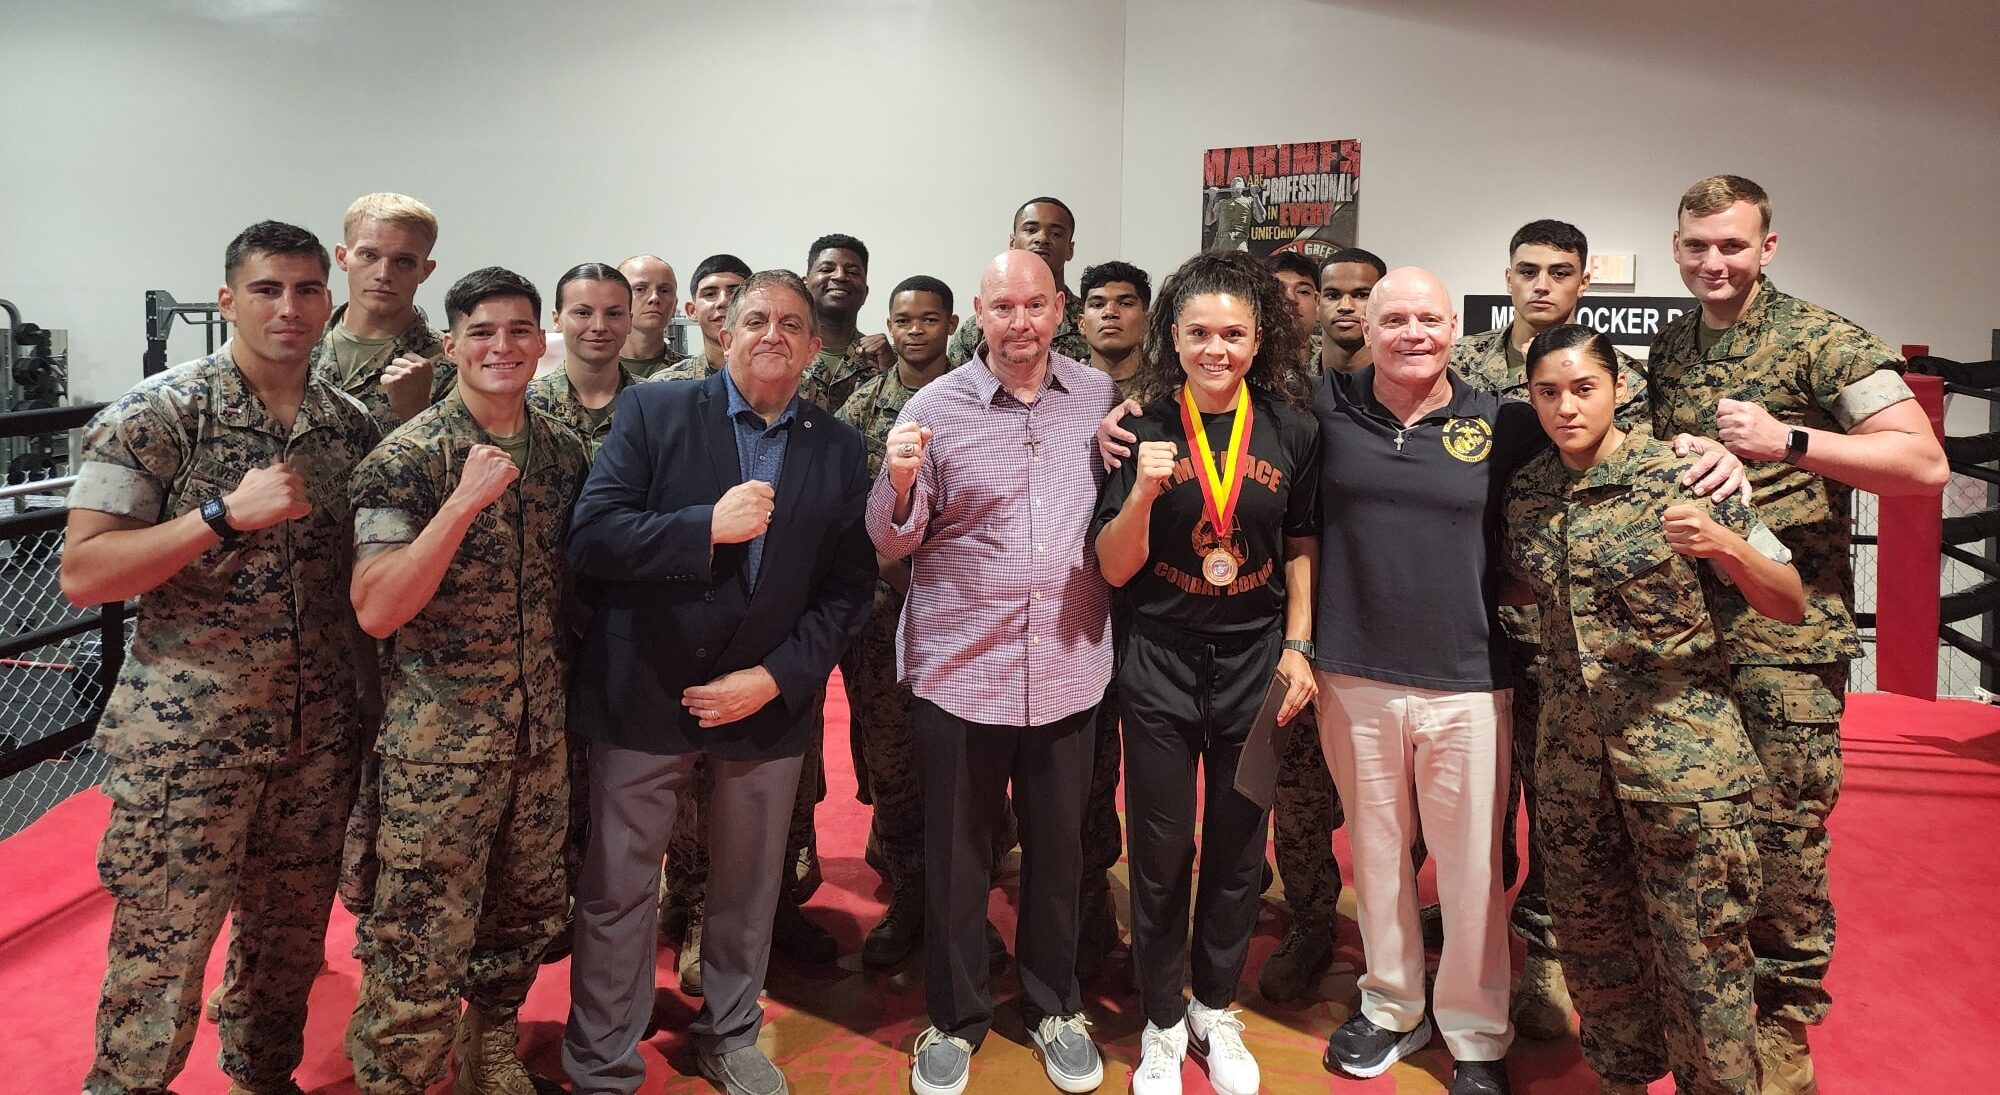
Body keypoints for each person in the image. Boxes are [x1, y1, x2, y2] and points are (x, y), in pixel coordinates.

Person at [1646, 174, 1947, 1093]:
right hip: (1691, 633)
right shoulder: (1672, 345)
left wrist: (1792, 441)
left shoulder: (1823, 338)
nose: (1714, 262)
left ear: (1766, 247)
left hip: (1789, 641)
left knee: (1783, 839)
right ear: (1677, 247)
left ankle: (1782, 1021)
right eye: (1698, 245)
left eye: (1732, 245)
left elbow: (1923, 466)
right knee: (1698, 838)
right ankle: (1705, 1012)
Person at [65, 221, 376, 1095]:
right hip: (190, 736)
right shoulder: (158, 412)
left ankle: (261, 1076)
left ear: (330, 301)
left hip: (314, 736)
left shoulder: (344, 426)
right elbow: (85, 573)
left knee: (285, 941)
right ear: (230, 299)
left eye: (308, 289)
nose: (290, 306)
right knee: (164, 945)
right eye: (269, 288)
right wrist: (220, 516)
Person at [561, 269, 876, 1095]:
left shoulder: (838, 446)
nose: (774, 333)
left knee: (747, 887)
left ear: (814, 345)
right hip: (645, 689)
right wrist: (705, 526)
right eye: (757, 319)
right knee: (619, 889)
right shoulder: (654, 412)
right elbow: (592, 536)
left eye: (792, 323)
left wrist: (773, 678)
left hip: (763, 701)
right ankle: (601, 1057)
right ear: (723, 331)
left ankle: (730, 1031)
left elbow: (848, 590)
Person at [1506, 323, 1804, 1094]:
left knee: (1703, 954)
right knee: (1595, 948)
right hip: (1574, 769)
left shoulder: (1686, 475)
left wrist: (1725, 546)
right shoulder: (1529, 492)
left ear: (1617, 388)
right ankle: (1622, 1078)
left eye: (1583, 388)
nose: (1567, 406)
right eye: (1548, 392)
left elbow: (1790, 600)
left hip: (1685, 769)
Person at [869, 250, 1117, 1095]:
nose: (1020, 323)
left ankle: (1054, 1003)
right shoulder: (932, 407)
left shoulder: (1096, 398)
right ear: (979, 311)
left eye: (1036, 306)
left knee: (1059, 849)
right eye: (1003, 306)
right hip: (960, 670)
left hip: (1066, 665)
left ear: (1060, 310)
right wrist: (900, 479)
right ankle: (955, 1015)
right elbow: (894, 540)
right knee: (959, 855)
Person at [345, 266, 591, 1094]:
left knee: (520, 917)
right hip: (440, 748)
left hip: (540, 738)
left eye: (520, 330)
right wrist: (460, 504)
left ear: (541, 342)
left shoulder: (563, 452)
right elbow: (378, 608)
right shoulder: (407, 459)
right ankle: (398, 1078)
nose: (503, 346)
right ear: (449, 345)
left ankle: (489, 1043)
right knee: (417, 936)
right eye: (482, 331)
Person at [1092, 251, 1319, 1095]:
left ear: (1259, 338)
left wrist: (1300, 644)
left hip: (1257, 660)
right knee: (1159, 848)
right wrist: (1144, 498)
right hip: (1158, 656)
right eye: (1198, 332)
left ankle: (1213, 1006)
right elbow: (1114, 569)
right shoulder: (1140, 423)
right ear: (1173, 337)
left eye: (1233, 332)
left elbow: (1302, 543)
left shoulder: (1293, 427)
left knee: (1236, 844)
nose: (1215, 348)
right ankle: (1159, 1015)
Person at [1445, 218, 1649, 1040]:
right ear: (1507, 274)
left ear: (1582, 280)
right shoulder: (1463, 362)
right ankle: (1473, 933)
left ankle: (1552, 958)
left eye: (1558, 271)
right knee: (1475, 799)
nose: (1540, 285)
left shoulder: (1620, 372)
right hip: (1471, 606)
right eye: (1526, 270)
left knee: (1562, 803)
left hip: (1570, 630)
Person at [834, 274, 960, 968]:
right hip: (885, 621)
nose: (916, 330)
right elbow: (848, 507)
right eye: (903, 319)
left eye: (930, 318)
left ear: (951, 325)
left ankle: (960, 908)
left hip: (965, 619)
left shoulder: (977, 395)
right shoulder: (862, 407)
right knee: (894, 764)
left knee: (966, 769)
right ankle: (910, 894)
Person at [1073, 258, 1152, 973]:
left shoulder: (1176, 393)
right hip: (1082, 610)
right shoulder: (1061, 388)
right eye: (1097, 302)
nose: (1110, 314)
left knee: (1158, 776)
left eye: (1126, 302)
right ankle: (1089, 903)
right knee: (1089, 770)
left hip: (1159, 610)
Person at [309, 192, 455, 429]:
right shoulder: (298, 341)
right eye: (369, 256)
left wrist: (417, 413)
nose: (384, 274)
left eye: (403, 261)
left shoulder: (448, 365)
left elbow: (459, 461)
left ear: (425, 271)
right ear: (342, 257)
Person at [947, 198, 1090, 365]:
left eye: (1056, 234)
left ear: (1070, 250)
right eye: (1031, 230)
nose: (1042, 238)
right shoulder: (976, 330)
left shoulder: (1091, 323)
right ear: (1012, 243)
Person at [529, 263, 637, 455]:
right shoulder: (525, 405)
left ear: (629, 321)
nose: (599, 326)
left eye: (614, 314)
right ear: (556, 320)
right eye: (583, 313)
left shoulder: (653, 404)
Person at [801, 232, 892, 413]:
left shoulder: (885, 359)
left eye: (852, 272)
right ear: (805, 284)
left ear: (865, 292)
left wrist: (893, 371)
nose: (840, 277)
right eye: (827, 269)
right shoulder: (782, 353)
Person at [651, 253, 751, 384]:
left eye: (735, 292)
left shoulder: (779, 379)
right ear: (692, 311)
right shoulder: (666, 384)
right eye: (710, 294)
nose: (723, 301)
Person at [1079, 261, 1151, 401]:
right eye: (1098, 305)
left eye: (1125, 304)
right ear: (1082, 324)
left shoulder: (1171, 394)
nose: (1110, 312)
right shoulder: (1061, 391)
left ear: (1146, 322)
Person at [1313, 248, 1385, 375]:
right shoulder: (1283, 388)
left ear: (1383, 302)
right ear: (1317, 303)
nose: (1345, 306)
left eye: (1362, 295)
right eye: (1333, 296)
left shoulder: (1411, 387)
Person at [616, 253, 688, 379]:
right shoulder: (594, 372)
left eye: (664, 290)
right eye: (640, 289)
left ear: (674, 305)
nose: (654, 298)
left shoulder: (693, 376)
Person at [1266, 251, 1322, 366]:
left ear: (1318, 304)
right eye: (1278, 290)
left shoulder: (1333, 367)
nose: (1291, 298)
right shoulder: (1240, 364)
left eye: (1303, 291)